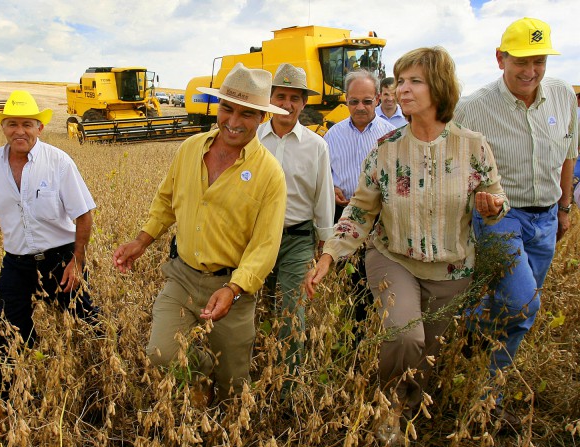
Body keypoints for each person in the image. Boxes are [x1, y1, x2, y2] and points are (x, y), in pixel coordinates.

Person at [305, 47, 509, 442]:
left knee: (426, 353)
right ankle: (388, 408)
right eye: (400, 81)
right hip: (392, 257)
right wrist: (330, 254)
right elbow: (361, 211)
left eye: (414, 80)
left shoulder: (473, 147)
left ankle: (408, 406)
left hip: (451, 270)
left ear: (440, 86)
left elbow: (495, 204)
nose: (402, 89)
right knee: (403, 336)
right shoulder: (386, 149)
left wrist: (492, 207)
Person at [113, 63, 287, 405]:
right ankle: (199, 374)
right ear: (217, 107)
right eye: (227, 109)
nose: (233, 121)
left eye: (247, 114)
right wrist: (141, 241)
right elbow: (166, 201)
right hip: (181, 276)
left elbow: (265, 247)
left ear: (262, 118)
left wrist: (234, 289)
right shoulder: (190, 149)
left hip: (231, 287)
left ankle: (222, 407)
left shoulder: (270, 174)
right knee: (163, 353)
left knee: (233, 383)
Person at [454, 17, 578, 427]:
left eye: (539, 60)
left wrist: (563, 208)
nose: (531, 71)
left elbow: (568, 156)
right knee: (525, 303)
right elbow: (448, 160)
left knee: (517, 309)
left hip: (546, 218)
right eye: (521, 61)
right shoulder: (473, 107)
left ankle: (473, 328)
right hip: (499, 217)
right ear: (499, 58)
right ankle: (489, 399)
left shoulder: (562, 95)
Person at [0, 90, 99, 398]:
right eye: (12, 124)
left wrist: (77, 260)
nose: (19, 131)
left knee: (87, 320)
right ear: (3, 127)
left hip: (60, 259)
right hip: (16, 263)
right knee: (6, 332)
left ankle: (103, 378)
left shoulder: (58, 162)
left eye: (27, 124)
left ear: (39, 128)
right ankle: (12, 399)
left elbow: (84, 213)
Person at [257, 63, 334, 395]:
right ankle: (257, 371)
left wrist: (324, 247)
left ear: (304, 103)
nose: (287, 104)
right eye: (280, 96)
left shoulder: (317, 147)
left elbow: (322, 197)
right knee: (254, 305)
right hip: (255, 238)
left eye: (294, 98)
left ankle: (289, 387)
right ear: (270, 99)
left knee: (291, 312)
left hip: (297, 239)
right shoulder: (253, 139)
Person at [324, 70, 396, 327]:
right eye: (354, 101)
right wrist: (331, 187)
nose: (360, 107)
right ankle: (350, 328)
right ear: (346, 101)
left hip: (378, 219)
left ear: (377, 99)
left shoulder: (391, 136)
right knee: (348, 278)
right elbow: (324, 174)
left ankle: (374, 325)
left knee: (374, 276)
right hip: (343, 216)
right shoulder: (332, 136)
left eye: (366, 101)